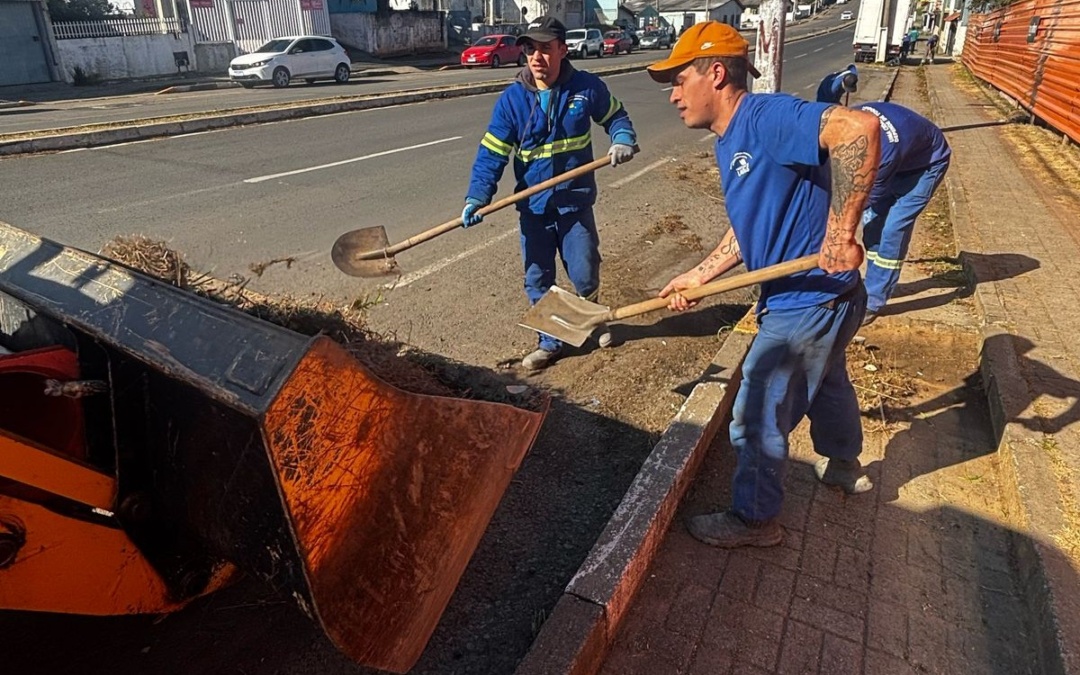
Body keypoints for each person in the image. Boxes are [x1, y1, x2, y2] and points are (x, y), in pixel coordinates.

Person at [646, 21, 881, 548]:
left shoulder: (766, 116)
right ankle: (844, 464)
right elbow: (752, 223)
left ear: (717, 72)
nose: (674, 96)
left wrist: (841, 232)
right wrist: (699, 276)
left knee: (757, 410)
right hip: (826, 298)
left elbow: (859, 131)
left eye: (679, 80)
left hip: (810, 300)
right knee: (828, 379)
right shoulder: (731, 142)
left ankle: (755, 520)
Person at [461, 16, 637, 371]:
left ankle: (593, 319)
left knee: (585, 269)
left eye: (544, 48)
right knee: (538, 277)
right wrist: (477, 197)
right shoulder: (513, 101)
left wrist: (622, 138)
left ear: (562, 50)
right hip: (535, 207)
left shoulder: (586, 88)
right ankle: (550, 342)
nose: (536, 57)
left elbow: (616, 117)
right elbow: (492, 153)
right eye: (530, 49)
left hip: (574, 201)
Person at [854, 102, 951, 325]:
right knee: (872, 228)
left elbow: (865, 199)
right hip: (900, 159)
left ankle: (873, 301)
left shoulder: (884, 153)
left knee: (892, 228)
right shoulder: (846, 122)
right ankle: (870, 283)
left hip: (927, 165)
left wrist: (839, 234)